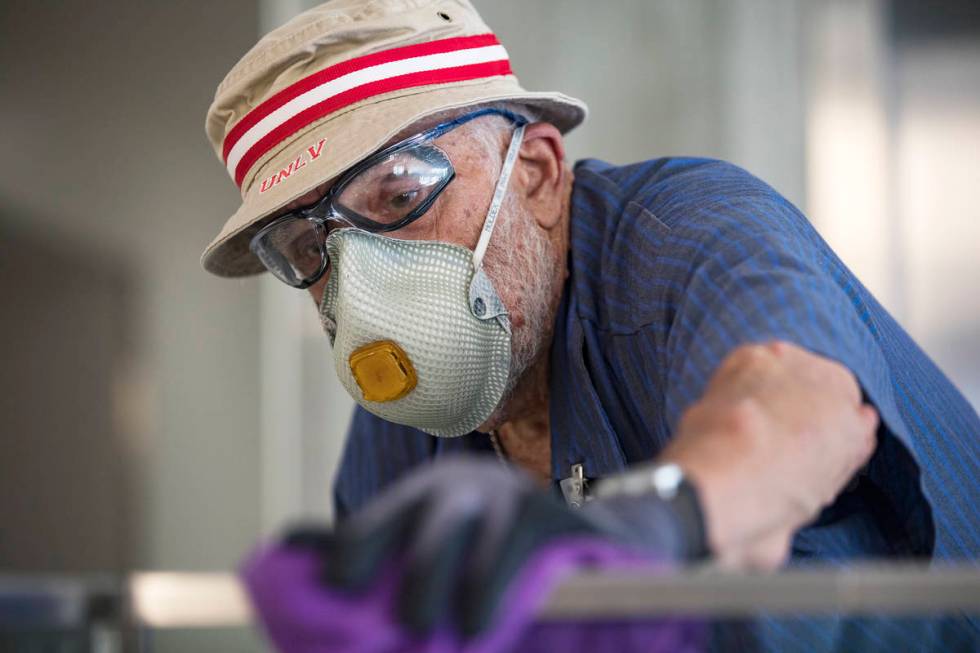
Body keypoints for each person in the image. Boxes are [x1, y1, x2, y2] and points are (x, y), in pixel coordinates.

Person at [201, 1, 979, 650]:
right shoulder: (401, 438)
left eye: (400, 194)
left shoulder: (683, 234)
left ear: (537, 174)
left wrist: (653, 518)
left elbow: (801, 411)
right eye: (307, 247)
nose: (360, 282)